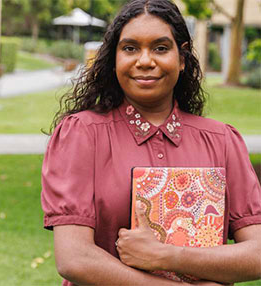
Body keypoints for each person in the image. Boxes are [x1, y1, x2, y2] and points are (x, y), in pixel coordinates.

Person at [41, 0, 261, 285]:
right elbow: (75, 259)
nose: (145, 61)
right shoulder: (82, 135)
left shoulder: (222, 142)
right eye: (130, 48)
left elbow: (257, 254)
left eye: (160, 48)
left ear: (182, 59)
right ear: (114, 59)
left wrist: (166, 256)